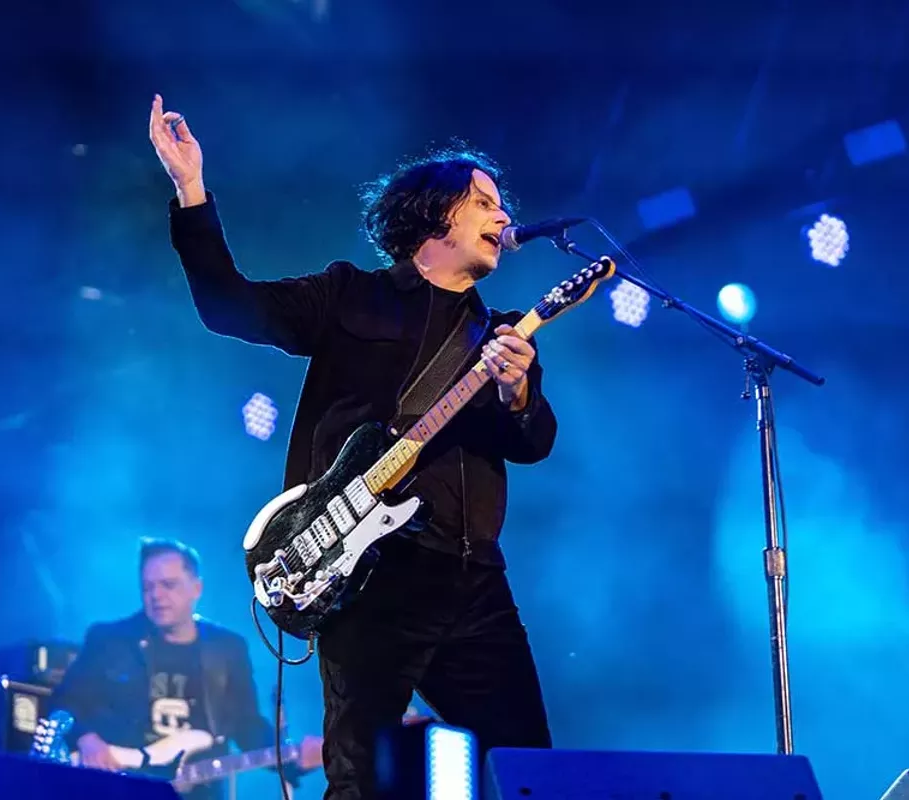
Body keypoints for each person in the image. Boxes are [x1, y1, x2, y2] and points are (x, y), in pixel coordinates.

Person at [149, 94, 557, 799]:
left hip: (472, 580)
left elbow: (533, 442)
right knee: (359, 778)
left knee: (529, 772)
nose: (503, 217)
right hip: (369, 571)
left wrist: (518, 391)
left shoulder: (500, 340)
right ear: (435, 214)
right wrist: (191, 189)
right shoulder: (349, 297)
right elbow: (227, 306)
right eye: (485, 202)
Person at [52, 537, 323, 799]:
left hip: (199, 793)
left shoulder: (227, 649)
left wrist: (294, 757)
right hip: (120, 787)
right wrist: (86, 739)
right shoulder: (109, 640)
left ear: (197, 588)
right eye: (148, 587)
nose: (156, 595)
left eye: (168, 585)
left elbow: (246, 725)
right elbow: (65, 701)